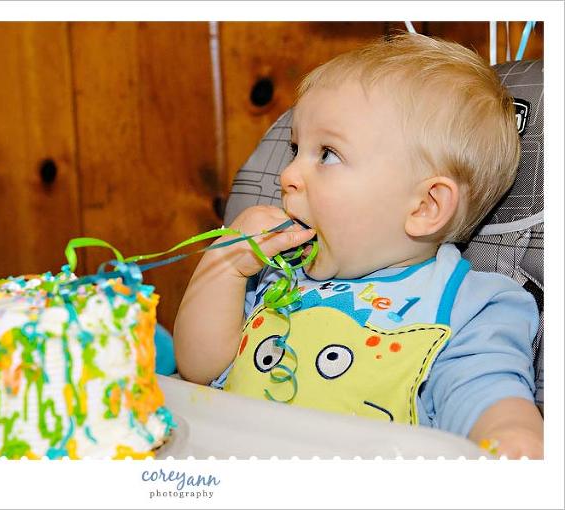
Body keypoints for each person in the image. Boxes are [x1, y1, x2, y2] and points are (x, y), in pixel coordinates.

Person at [173, 33, 542, 459]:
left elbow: (486, 398)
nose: (288, 174)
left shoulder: (467, 305)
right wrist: (227, 263)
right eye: (295, 149)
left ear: (425, 206)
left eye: (327, 153)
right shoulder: (276, 276)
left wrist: (515, 441)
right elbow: (199, 370)